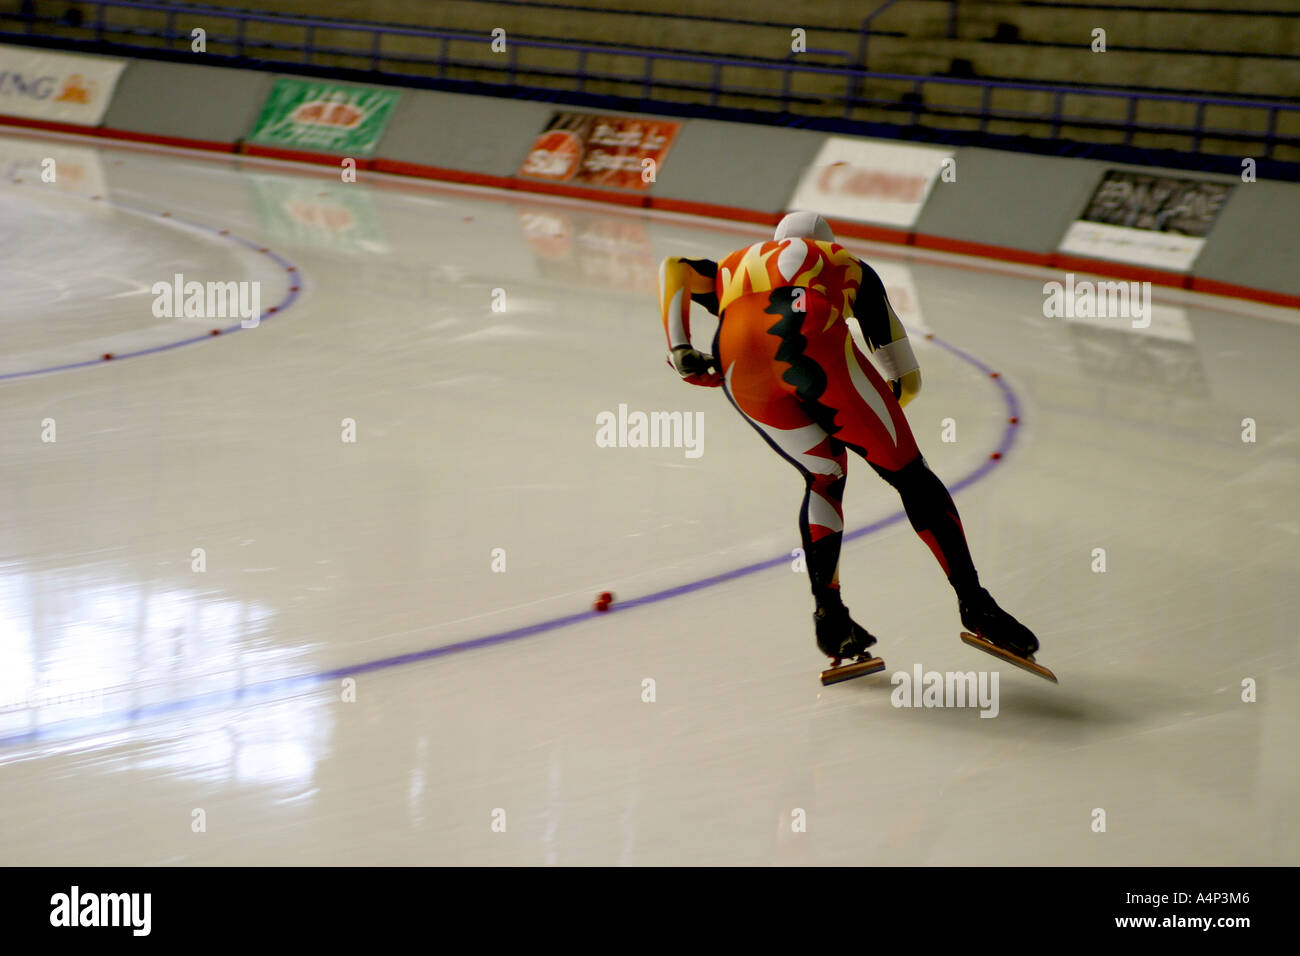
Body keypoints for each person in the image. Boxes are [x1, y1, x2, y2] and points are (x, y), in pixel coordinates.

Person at [658, 211, 1039, 664]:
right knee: (911, 476)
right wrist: (882, 414)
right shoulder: (843, 260)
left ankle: (830, 618)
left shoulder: (733, 265)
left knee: (824, 477)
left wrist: (680, 347)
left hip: (736, 359)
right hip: (807, 335)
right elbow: (904, 373)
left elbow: (674, 267)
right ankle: (977, 605)